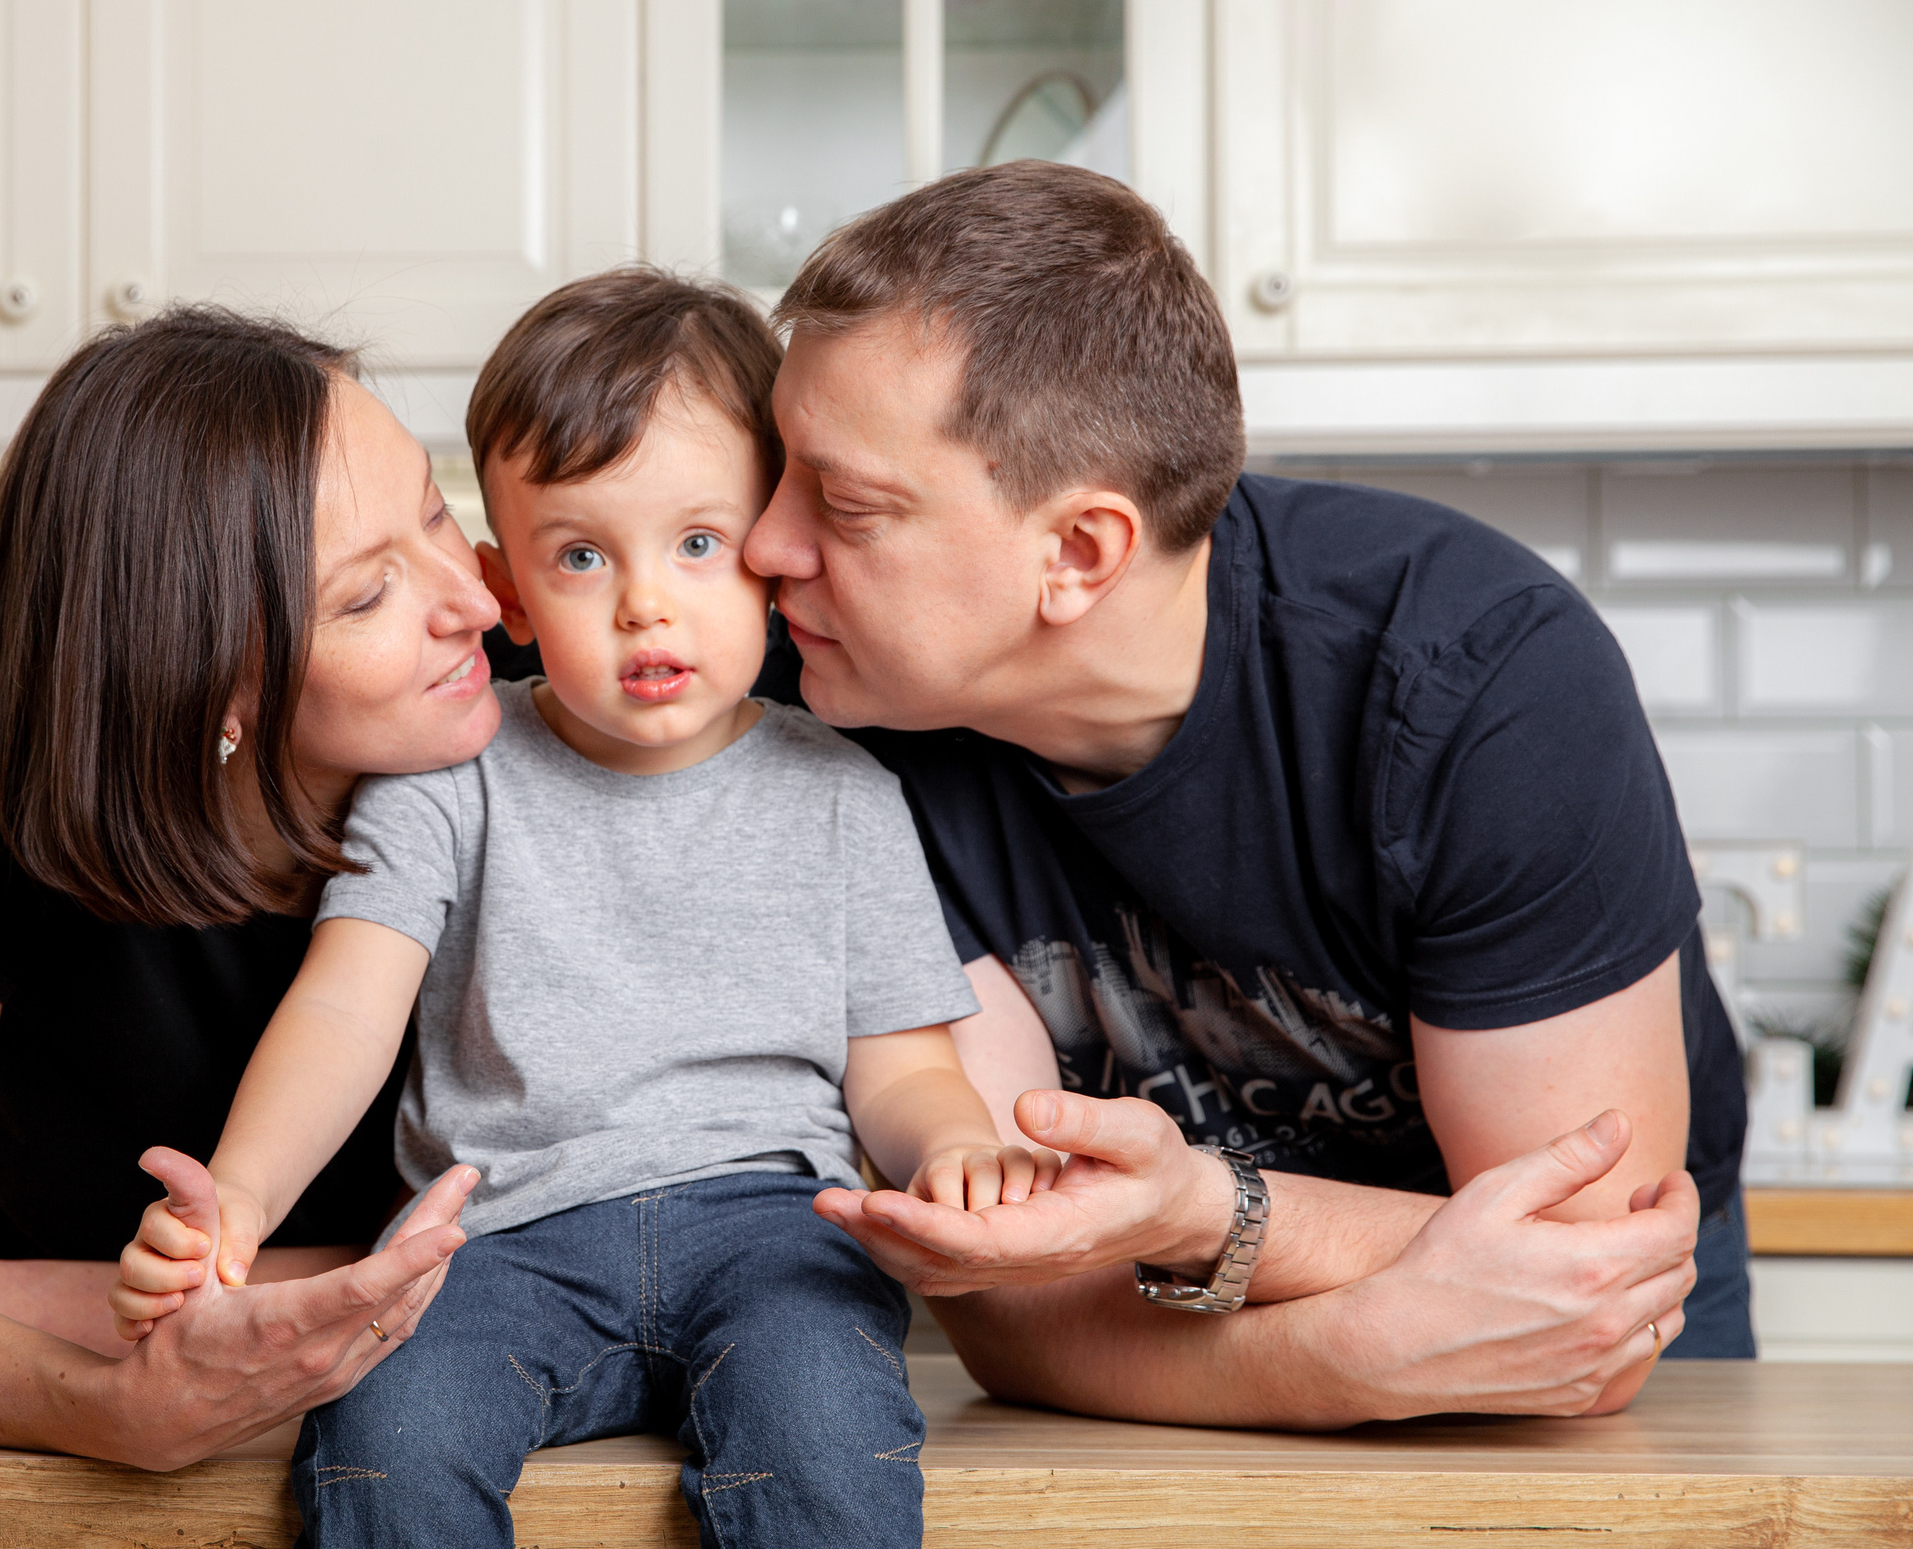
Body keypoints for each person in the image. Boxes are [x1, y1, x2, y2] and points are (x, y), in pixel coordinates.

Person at [742, 162, 1746, 1428]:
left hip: (1583, 1382)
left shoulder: (1478, 676)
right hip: (1155, 1366)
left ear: (1078, 552)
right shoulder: (822, 719)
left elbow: (1588, 1279)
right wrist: (1340, 1358)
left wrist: (1200, 1213)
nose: (764, 548)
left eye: (841, 502)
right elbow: (1013, 1288)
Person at [109, 269, 1040, 1539]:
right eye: (583, 554)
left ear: (769, 554)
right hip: (499, 1242)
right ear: (506, 587)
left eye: (698, 544)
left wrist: (955, 1153)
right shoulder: (447, 777)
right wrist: (242, 1202)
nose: (645, 600)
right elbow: (344, 1011)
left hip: (772, 1232)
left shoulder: (845, 793)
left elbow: (901, 1066)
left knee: (827, 1433)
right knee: (383, 1439)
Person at [0, 307, 504, 1466]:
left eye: (435, 507)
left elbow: (560, 1248)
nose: (473, 598)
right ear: (206, 681)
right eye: (366, 597)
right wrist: (97, 1399)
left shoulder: (531, 697)